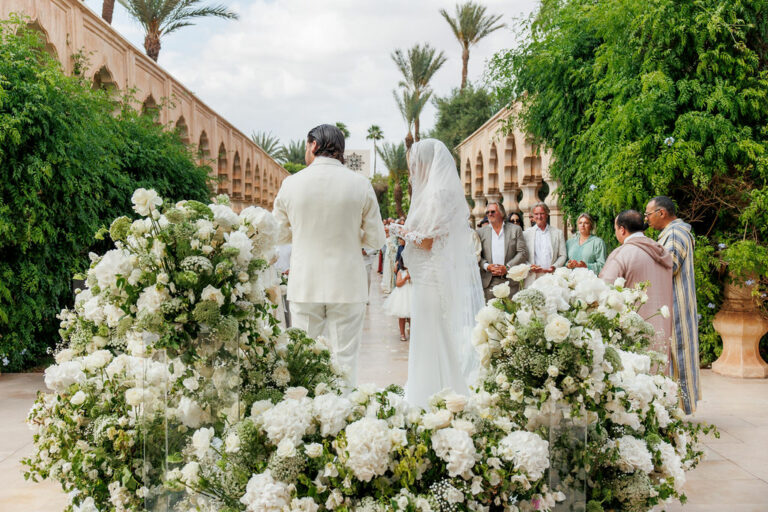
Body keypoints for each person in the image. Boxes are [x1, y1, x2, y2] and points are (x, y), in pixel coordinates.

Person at [272, 124, 385, 388]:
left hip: (305, 283)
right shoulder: (360, 184)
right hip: (347, 284)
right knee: (345, 360)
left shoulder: (291, 184)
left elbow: (277, 235)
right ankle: (343, 420)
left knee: (303, 359)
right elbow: (376, 240)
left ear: (313, 144)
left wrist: (302, 234)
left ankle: (308, 419)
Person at [393, 139, 484, 408]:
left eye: (415, 163)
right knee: (427, 333)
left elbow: (429, 240)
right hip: (425, 276)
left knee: (431, 333)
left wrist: (401, 231)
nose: (413, 169)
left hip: (430, 276)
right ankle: (434, 389)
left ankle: (434, 392)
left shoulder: (436, 194)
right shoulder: (434, 192)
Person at [645, 196, 701, 414]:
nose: (647, 218)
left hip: (677, 302)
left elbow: (671, 265)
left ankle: (679, 406)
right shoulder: (673, 231)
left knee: (678, 354)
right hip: (674, 301)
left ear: (662, 213)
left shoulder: (676, 233)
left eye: (649, 214)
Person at [600, 210, 674, 372]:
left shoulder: (622, 254)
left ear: (622, 229)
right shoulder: (662, 252)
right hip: (661, 333)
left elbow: (603, 291)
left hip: (633, 336)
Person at [477, 201, 528, 301]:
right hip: (489, 282)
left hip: (510, 281)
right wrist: (487, 266)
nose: (489, 214)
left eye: (492, 211)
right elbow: (476, 255)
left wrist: (507, 267)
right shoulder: (480, 233)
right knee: (491, 314)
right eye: (488, 212)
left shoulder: (515, 229)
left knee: (511, 315)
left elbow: (522, 252)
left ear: (501, 213)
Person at [523, 202, 567, 285]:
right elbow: (522, 256)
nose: (539, 217)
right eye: (536, 214)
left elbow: (563, 255)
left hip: (552, 277)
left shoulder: (557, 233)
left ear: (547, 214)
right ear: (532, 216)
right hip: (533, 278)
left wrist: (554, 267)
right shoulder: (526, 234)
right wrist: (530, 267)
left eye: (542, 213)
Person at [383, 250, 412, 341]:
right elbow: (398, 283)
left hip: (411, 294)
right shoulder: (401, 272)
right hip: (403, 295)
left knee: (412, 315)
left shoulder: (413, 271)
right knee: (402, 315)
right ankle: (402, 333)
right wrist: (406, 278)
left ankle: (412, 331)